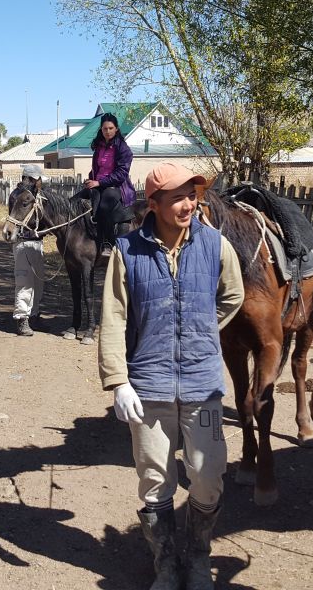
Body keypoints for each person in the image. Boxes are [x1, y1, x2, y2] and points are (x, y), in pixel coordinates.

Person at [99, 162, 245, 590]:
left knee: (207, 473)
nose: (188, 204)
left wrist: (200, 329)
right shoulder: (127, 252)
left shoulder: (216, 245)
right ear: (154, 204)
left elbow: (233, 295)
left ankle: (198, 557)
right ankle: (165, 562)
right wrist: (118, 381)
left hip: (203, 383)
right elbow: (113, 317)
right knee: (154, 478)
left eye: (192, 196)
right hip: (149, 385)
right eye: (178, 197)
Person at [76, 113, 135, 257]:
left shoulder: (123, 149)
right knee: (74, 200)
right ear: (101, 130)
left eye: (110, 128)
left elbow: (121, 174)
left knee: (103, 205)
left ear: (116, 129)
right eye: (105, 129)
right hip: (98, 183)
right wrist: (91, 179)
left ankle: (107, 242)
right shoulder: (99, 147)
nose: (107, 131)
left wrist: (99, 182)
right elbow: (97, 169)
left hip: (116, 186)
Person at [9, 164, 46, 337]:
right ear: (31, 179)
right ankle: (22, 318)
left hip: (36, 242)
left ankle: (34, 315)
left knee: (38, 282)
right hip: (23, 242)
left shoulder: (35, 195)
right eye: (38, 180)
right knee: (24, 281)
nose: (41, 183)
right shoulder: (18, 196)